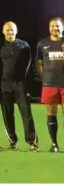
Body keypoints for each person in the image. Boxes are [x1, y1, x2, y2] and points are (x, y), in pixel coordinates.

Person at [0, 21, 38, 151]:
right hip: (5, 85)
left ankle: (32, 142)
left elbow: (28, 66)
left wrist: (24, 83)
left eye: (12, 30)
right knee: (8, 114)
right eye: (7, 30)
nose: (10, 32)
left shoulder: (24, 46)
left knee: (26, 114)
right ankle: (12, 141)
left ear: (16, 31)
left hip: (21, 85)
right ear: (3, 31)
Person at [36, 17, 64, 152]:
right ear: (49, 28)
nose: (55, 28)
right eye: (52, 26)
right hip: (50, 84)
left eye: (57, 26)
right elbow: (40, 63)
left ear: (62, 27)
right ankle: (54, 144)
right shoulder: (42, 44)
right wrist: (46, 77)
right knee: (51, 113)